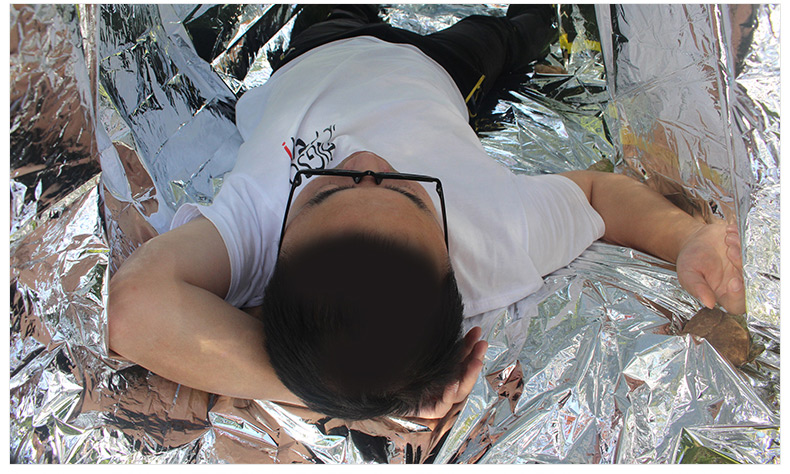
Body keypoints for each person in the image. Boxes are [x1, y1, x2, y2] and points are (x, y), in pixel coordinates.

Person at [107, 5, 746, 421]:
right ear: (450, 260)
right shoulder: (496, 240)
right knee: (510, 36)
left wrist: (328, 390)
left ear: (277, 258)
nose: (367, 158)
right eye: (409, 191)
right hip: (437, 71)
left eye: (324, 190)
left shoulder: (254, 232)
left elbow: (135, 309)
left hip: (321, 48)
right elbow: (599, 196)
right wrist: (684, 235)